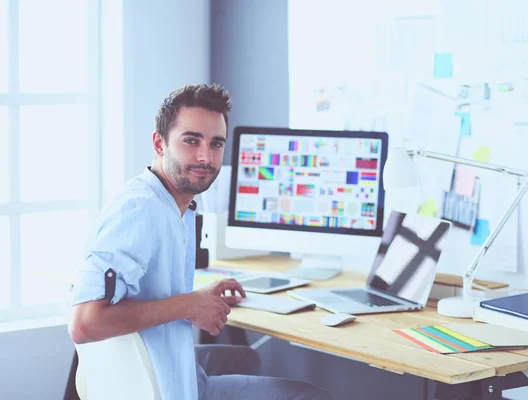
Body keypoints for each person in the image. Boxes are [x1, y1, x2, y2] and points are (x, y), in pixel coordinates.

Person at [69, 84, 331, 400]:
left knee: (244, 357)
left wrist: (196, 299)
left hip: (164, 371)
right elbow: (85, 323)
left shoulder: (175, 205)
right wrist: (190, 305)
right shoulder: (140, 211)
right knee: (311, 396)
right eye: (191, 140)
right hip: (162, 390)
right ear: (159, 143)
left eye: (216, 144)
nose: (206, 156)